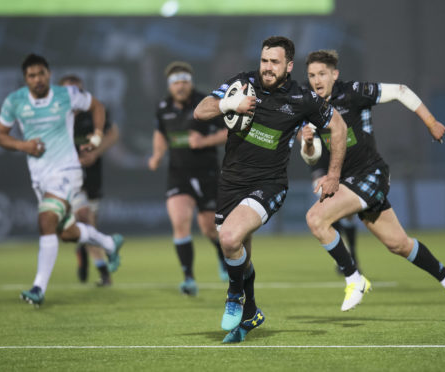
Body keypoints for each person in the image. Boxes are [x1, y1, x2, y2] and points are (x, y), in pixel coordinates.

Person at [193, 36, 348, 343]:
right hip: (231, 182)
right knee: (236, 252)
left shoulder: (302, 98)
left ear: (288, 66)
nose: (267, 67)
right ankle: (251, 311)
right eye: (264, 60)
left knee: (229, 237)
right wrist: (230, 103)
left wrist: (333, 175)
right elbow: (201, 111)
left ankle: (234, 296)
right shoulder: (243, 83)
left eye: (274, 62)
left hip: (269, 184)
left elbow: (339, 126)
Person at [301, 49, 445, 320]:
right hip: (349, 182)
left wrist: (430, 121)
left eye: (322, 74)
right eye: (311, 75)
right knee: (398, 244)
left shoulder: (353, 92)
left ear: (334, 74)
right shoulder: (311, 108)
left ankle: (354, 278)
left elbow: (401, 91)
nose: (317, 80)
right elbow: (312, 157)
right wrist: (308, 142)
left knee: (315, 219)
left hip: (370, 175)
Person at [0, 54, 124, 306]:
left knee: (46, 220)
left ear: (49, 74)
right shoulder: (15, 101)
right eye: (32, 76)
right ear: (25, 79)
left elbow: (97, 106)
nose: (37, 79)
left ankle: (38, 288)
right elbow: (0, 135)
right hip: (40, 177)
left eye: (41, 73)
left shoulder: (66, 95)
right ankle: (110, 243)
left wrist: (97, 137)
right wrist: (23, 145)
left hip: (67, 171)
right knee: (66, 233)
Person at [148, 61, 229, 296]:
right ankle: (189, 278)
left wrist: (204, 141)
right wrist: (157, 155)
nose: (180, 86)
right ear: (170, 86)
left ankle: (221, 255)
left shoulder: (206, 104)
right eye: (176, 82)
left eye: (184, 81)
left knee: (209, 229)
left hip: (207, 174)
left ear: (190, 82)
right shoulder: (163, 107)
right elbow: (160, 133)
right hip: (178, 175)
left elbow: (230, 131)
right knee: (180, 221)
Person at [59, 75, 120, 287]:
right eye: (68, 90)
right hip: (68, 177)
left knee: (87, 222)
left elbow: (113, 134)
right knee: (84, 218)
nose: (73, 95)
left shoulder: (93, 113)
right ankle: (104, 271)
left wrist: (95, 153)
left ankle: (83, 250)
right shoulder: (56, 117)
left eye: (77, 90)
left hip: (93, 174)